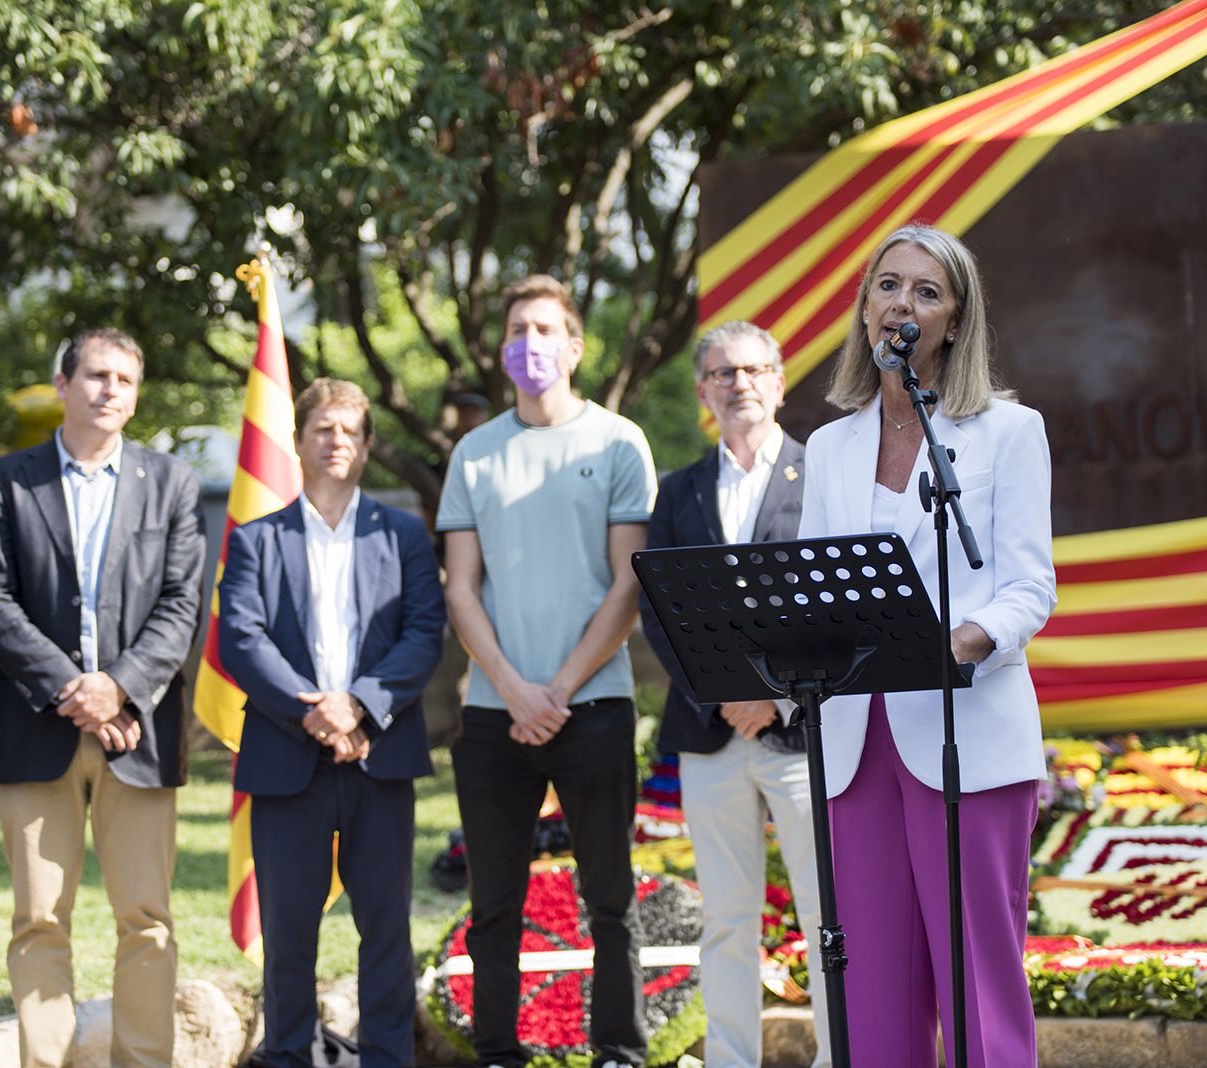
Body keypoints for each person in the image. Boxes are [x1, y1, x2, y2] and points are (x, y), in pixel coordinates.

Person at [798, 225, 1056, 1066]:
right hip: (854, 743)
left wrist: (965, 638)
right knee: (871, 995)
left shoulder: (1009, 433)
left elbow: (1028, 588)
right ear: (864, 305)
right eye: (887, 285)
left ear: (954, 321)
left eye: (925, 291)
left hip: (966, 734)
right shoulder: (830, 447)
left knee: (978, 986)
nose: (900, 303)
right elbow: (810, 589)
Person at [0, 327, 206, 1068]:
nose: (109, 391)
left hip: (140, 731)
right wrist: (74, 688)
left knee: (147, 919)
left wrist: (119, 688)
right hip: (39, 728)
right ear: (63, 384)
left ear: (136, 397)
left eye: (124, 381)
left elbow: (181, 603)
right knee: (39, 918)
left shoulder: (171, 482)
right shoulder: (7, 481)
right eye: (96, 376)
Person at [437, 274, 657, 1068]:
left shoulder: (618, 442)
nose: (530, 345)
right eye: (517, 331)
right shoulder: (474, 451)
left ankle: (619, 1055)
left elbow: (630, 582)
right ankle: (498, 1053)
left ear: (574, 347)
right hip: (495, 717)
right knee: (494, 904)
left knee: (610, 900)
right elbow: (460, 586)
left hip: (592, 706)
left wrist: (558, 689)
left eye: (544, 330)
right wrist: (512, 687)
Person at [218, 378, 446, 1068]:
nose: (336, 441)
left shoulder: (402, 533)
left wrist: (359, 706)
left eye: (350, 430)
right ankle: (287, 1054)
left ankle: (386, 1057)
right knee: (289, 930)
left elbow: (424, 632)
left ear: (369, 443)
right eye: (323, 428)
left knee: (384, 926)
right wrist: (312, 712)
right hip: (289, 758)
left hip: (380, 753)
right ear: (298, 441)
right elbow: (241, 638)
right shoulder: (257, 539)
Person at [637, 320, 830, 1068]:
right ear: (703, 392)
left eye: (753, 370)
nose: (739, 383)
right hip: (709, 732)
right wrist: (723, 693)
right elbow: (659, 606)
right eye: (724, 373)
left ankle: (836, 1056)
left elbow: (833, 604)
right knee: (725, 918)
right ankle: (731, 1060)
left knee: (825, 914)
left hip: (801, 732)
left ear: (779, 382)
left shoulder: (821, 477)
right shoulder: (679, 491)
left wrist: (776, 698)